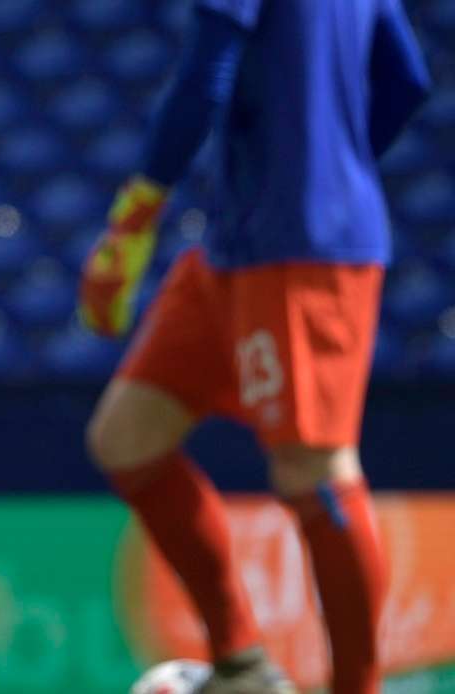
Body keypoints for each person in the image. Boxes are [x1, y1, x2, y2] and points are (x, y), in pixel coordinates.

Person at [78, 1, 430, 692]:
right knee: (127, 436)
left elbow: (207, 70)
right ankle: (242, 666)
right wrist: (338, 161)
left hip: (301, 248)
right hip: (237, 247)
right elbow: (406, 78)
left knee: (317, 470)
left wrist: (134, 218)